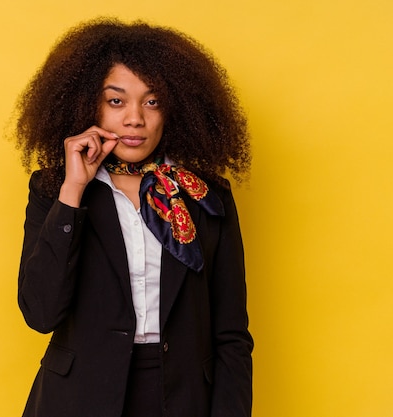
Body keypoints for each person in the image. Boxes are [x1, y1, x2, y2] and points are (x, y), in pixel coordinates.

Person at [14, 17, 253, 417]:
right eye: (116, 101)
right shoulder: (53, 189)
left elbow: (231, 334)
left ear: (174, 106)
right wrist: (72, 192)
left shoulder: (206, 196)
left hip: (183, 397)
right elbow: (40, 313)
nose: (135, 119)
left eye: (152, 101)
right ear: (88, 104)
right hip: (78, 399)